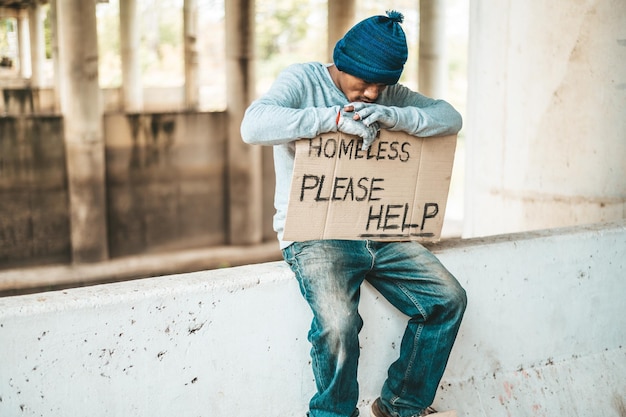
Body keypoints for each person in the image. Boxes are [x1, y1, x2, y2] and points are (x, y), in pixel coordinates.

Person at [241, 10, 467, 417]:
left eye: (381, 86)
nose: (370, 94)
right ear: (341, 63)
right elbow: (253, 126)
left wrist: (397, 117)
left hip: (379, 230)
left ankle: (402, 405)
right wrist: (331, 120)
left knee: (447, 300)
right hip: (315, 234)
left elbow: (451, 118)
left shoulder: (386, 97)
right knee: (340, 326)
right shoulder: (303, 80)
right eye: (362, 83)